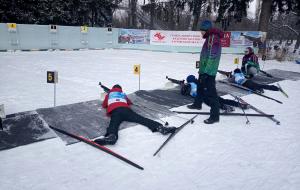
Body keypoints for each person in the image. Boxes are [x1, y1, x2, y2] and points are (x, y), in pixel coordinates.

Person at [94, 84, 176, 145]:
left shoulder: (109, 94)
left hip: (116, 111)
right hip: (126, 110)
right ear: (120, 89)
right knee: (142, 119)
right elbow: (129, 102)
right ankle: (160, 128)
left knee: (114, 124)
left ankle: (112, 137)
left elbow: (104, 105)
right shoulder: (123, 94)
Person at [188, 20, 223, 124]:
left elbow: (212, 57)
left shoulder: (213, 38)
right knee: (200, 87)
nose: (201, 33)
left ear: (206, 30)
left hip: (209, 72)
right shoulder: (209, 38)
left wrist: (206, 73)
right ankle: (197, 104)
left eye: (202, 30)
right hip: (204, 70)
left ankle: (215, 116)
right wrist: (202, 71)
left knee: (212, 94)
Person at [181, 75, 249, 112]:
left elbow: (183, 92)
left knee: (211, 102)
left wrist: (183, 86)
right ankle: (239, 104)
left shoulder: (189, 84)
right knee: (222, 100)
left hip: (202, 95)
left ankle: (223, 106)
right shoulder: (199, 82)